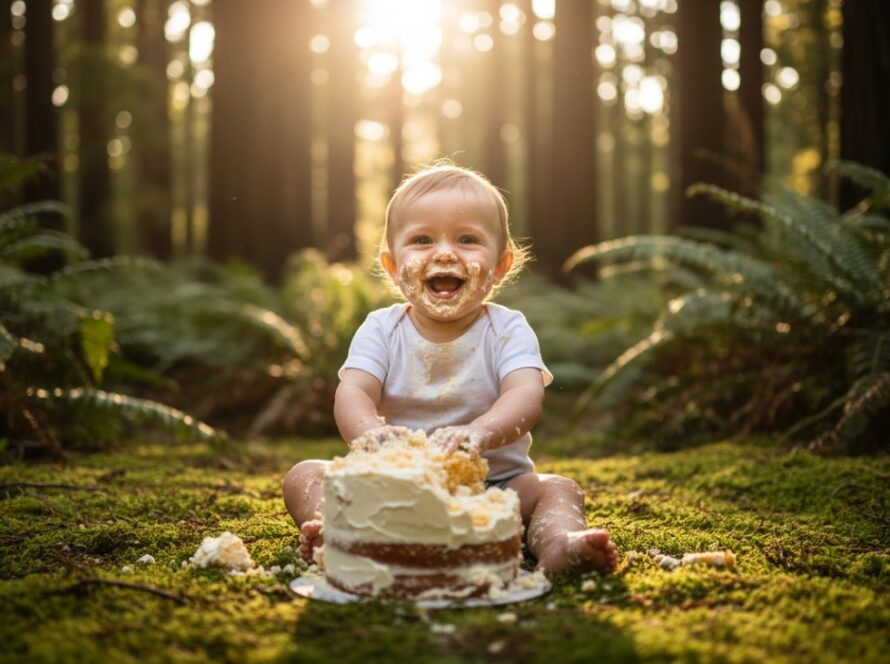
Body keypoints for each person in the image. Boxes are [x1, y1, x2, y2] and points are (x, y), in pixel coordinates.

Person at [282, 163, 618, 575]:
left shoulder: (507, 329)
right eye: (422, 239)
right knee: (305, 474)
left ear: (500, 266)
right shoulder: (382, 329)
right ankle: (339, 532)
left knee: (557, 489)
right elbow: (353, 392)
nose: (444, 252)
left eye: (467, 239)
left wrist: (480, 432)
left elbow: (525, 395)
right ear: (391, 266)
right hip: (395, 492)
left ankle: (559, 545)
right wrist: (371, 436)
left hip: (494, 491)